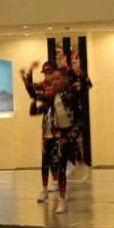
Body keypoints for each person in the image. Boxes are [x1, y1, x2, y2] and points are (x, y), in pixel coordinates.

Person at [31, 67, 82, 213]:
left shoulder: (69, 95)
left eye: (55, 79)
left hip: (63, 133)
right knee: (47, 162)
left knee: (58, 163)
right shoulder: (49, 98)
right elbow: (33, 109)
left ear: (65, 80)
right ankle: (49, 191)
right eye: (50, 81)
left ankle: (63, 194)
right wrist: (27, 76)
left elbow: (83, 88)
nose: (52, 83)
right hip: (48, 134)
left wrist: (76, 70)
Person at [22, 60, 63, 196]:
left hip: (59, 126)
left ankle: (62, 186)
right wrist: (28, 73)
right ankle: (48, 187)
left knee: (55, 155)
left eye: (50, 73)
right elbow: (31, 90)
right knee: (46, 158)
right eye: (45, 74)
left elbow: (33, 92)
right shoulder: (43, 86)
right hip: (47, 127)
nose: (47, 77)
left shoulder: (59, 89)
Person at [67, 50, 93, 181]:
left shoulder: (72, 91)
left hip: (76, 121)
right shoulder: (54, 93)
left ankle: (82, 166)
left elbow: (87, 84)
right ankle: (68, 164)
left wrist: (80, 70)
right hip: (62, 123)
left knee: (71, 138)